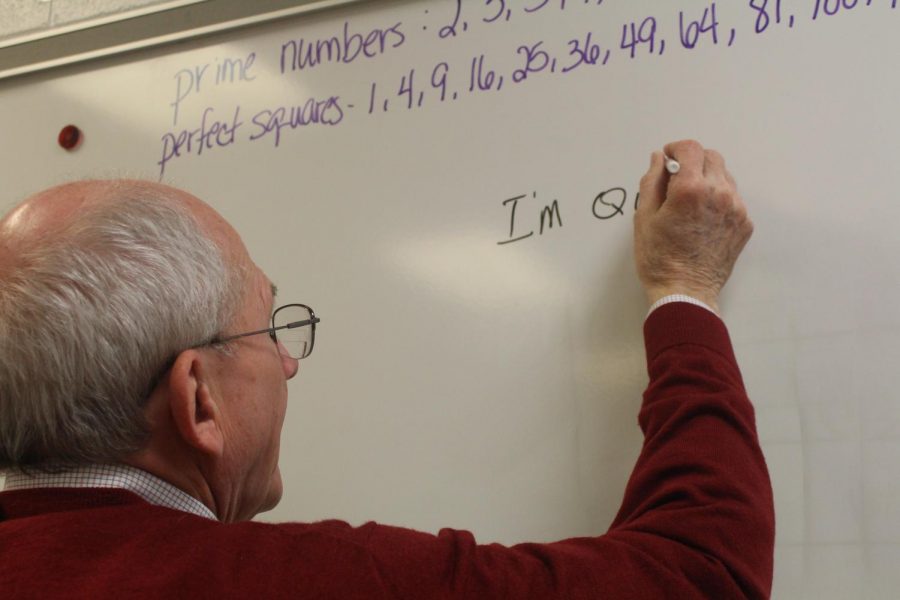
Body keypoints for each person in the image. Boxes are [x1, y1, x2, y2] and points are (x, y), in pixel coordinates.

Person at [0, 140, 774, 598]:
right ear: (198, 401)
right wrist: (685, 292)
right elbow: (699, 575)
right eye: (269, 327)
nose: (289, 361)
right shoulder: (312, 582)